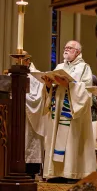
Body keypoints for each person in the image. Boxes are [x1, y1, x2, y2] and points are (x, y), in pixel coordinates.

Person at [41, 40, 96, 183]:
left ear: (77, 52)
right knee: (56, 137)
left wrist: (70, 85)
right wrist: (48, 85)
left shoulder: (84, 68)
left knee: (72, 141)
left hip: (73, 110)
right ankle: (56, 173)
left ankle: (73, 173)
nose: (66, 50)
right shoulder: (59, 66)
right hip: (58, 108)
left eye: (69, 48)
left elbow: (87, 89)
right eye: (65, 47)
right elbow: (53, 87)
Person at [21, 52, 46, 180]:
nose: (18, 63)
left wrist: (21, 97)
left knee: (31, 142)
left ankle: (31, 171)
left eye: (21, 60)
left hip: (31, 118)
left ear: (28, 60)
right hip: (18, 116)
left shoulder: (36, 76)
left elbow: (37, 98)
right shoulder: (15, 75)